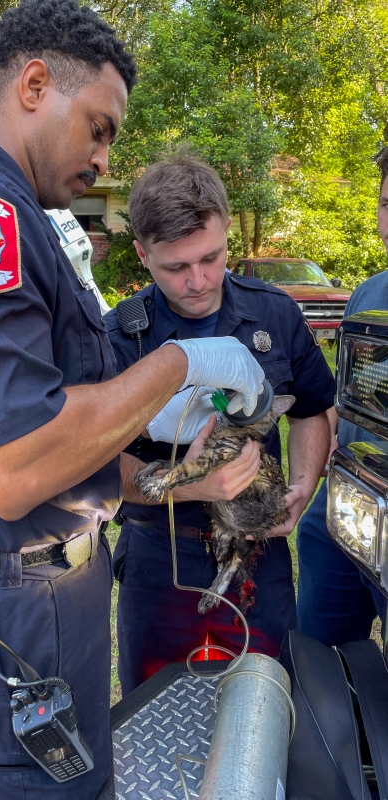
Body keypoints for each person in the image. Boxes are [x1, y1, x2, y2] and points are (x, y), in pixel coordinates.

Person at [0, 3, 268, 798]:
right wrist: (183, 360)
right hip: (10, 603)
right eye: (97, 125)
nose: (102, 156)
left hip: (44, 584)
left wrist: (174, 476)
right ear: (35, 84)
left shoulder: (28, 219)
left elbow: (60, 439)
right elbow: (15, 466)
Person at [105, 152, 335, 696]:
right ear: (142, 254)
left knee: (270, 696)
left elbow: (310, 409)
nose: (198, 280)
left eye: (211, 258)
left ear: (227, 230)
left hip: (259, 548)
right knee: (154, 698)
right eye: (175, 267)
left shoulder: (275, 314)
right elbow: (94, 460)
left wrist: (302, 489)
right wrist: (192, 485)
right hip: (159, 553)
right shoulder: (119, 338)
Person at [296, 147, 388, 647]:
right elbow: (346, 394)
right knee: (317, 657)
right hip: (347, 502)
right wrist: (333, 436)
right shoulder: (367, 296)